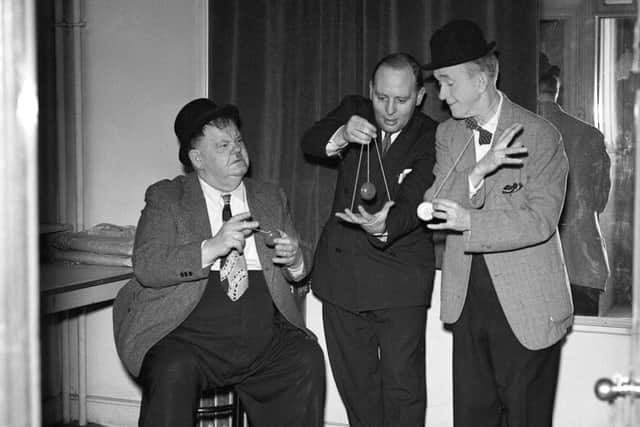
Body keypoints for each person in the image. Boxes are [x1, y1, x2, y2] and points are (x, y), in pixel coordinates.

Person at [112, 98, 325, 427]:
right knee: (172, 369)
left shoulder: (270, 196)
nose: (237, 150)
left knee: (305, 358)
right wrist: (211, 247)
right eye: (223, 144)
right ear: (197, 158)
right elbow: (147, 264)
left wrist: (296, 259)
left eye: (238, 141)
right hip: (186, 336)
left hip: (264, 336)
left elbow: (299, 263)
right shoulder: (167, 198)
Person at [421, 20, 573, 426]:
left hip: (528, 308)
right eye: (438, 82)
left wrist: (470, 220)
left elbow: (540, 221)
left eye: (448, 82)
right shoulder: (448, 135)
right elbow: (433, 204)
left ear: (484, 79)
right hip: (468, 306)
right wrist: (473, 175)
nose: (441, 93)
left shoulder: (541, 136)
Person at [301, 52, 438, 427]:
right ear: (371, 91)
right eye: (381, 97)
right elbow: (310, 142)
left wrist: (385, 224)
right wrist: (342, 134)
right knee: (357, 390)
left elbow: (416, 198)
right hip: (341, 276)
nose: (389, 110)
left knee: (402, 391)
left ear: (421, 96)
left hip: (400, 280)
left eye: (402, 100)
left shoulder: (433, 135)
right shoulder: (353, 110)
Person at [538, 72, 611, 316]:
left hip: (532, 264)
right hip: (583, 261)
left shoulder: (516, 130)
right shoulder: (590, 135)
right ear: (556, 89)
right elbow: (600, 200)